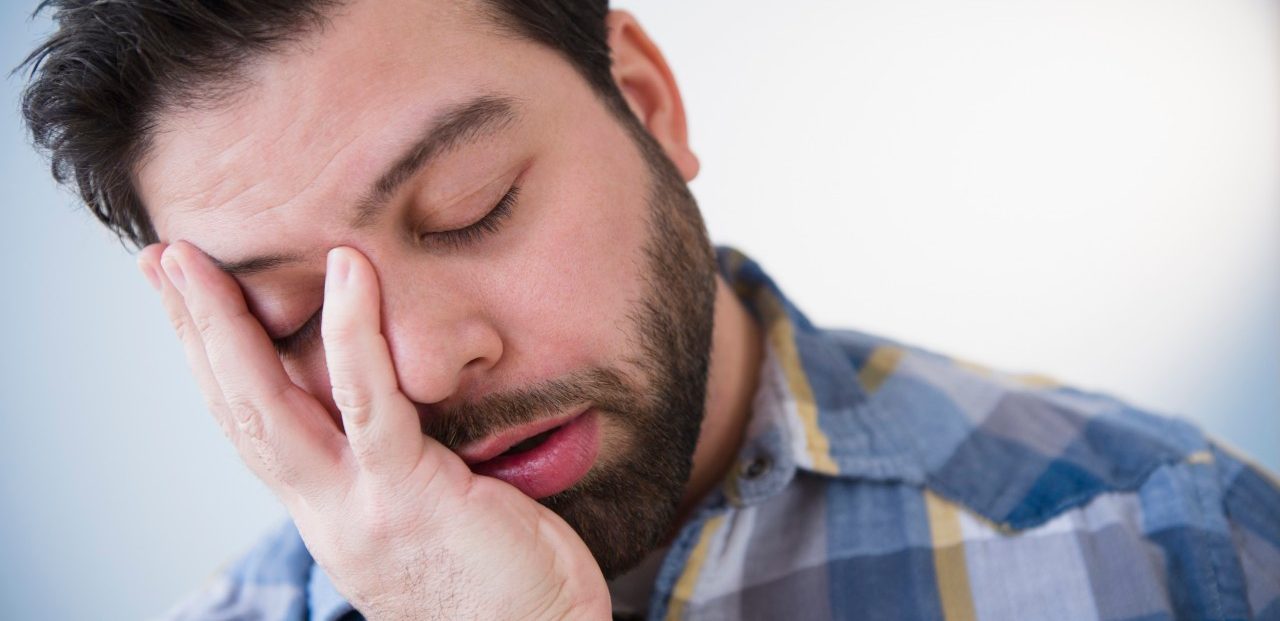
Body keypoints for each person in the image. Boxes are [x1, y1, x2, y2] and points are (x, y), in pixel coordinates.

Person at [18, 1, 1280, 619]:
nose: (421, 364)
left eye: (471, 205)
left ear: (647, 100)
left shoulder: (1171, 550)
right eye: (292, 313)